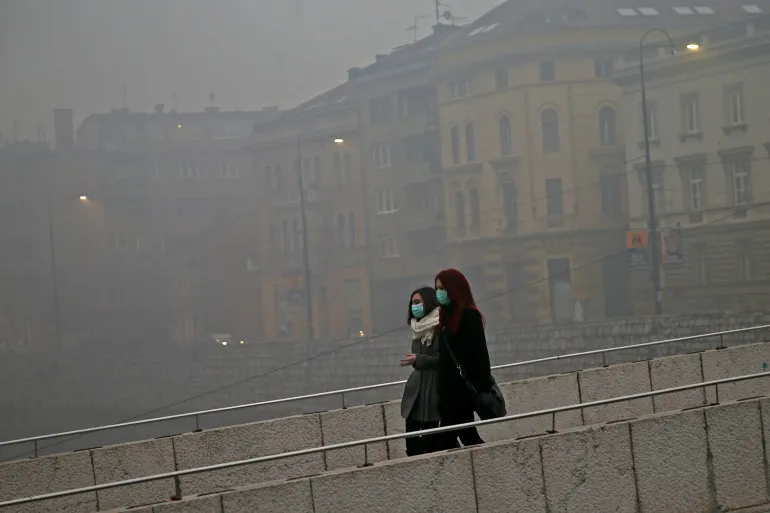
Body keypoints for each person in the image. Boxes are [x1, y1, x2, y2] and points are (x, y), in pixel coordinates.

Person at [434, 268, 490, 448]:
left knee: (447, 441)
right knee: (469, 438)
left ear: (454, 289)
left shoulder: (469, 315)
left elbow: (479, 355)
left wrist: (478, 387)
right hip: (448, 393)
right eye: (437, 289)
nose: (439, 293)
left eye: (442, 288)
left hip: (461, 394)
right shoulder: (446, 318)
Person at [399, 286, 443, 456]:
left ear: (429, 302)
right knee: (411, 441)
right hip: (416, 390)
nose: (414, 306)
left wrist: (419, 359)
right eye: (412, 303)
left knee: (429, 439)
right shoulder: (417, 329)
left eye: (417, 302)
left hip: (433, 389)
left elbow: (442, 359)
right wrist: (416, 361)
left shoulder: (440, 326)